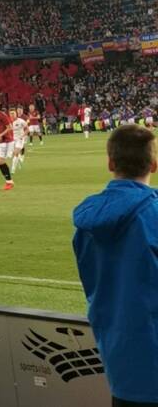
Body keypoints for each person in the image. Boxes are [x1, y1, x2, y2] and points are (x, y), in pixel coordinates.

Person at [72, 124, 158, 406]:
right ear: (154, 165)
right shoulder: (152, 214)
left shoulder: (87, 223)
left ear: (110, 163)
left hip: (118, 359)